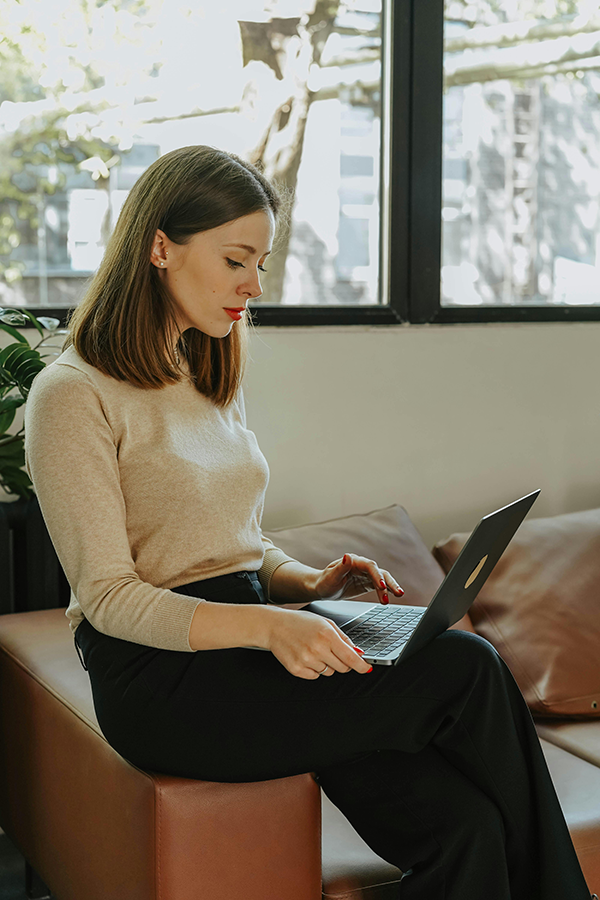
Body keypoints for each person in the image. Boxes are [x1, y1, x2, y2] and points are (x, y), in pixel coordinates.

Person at [24, 145, 593, 900]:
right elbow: (109, 596)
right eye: (236, 260)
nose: (253, 286)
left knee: (464, 829)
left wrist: (302, 582)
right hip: (162, 680)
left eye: (261, 263)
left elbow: (230, 542)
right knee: (467, 664)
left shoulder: (206, 367)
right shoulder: (70, 395)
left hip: (249, 644)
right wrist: (271, 627)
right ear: (160, 246)